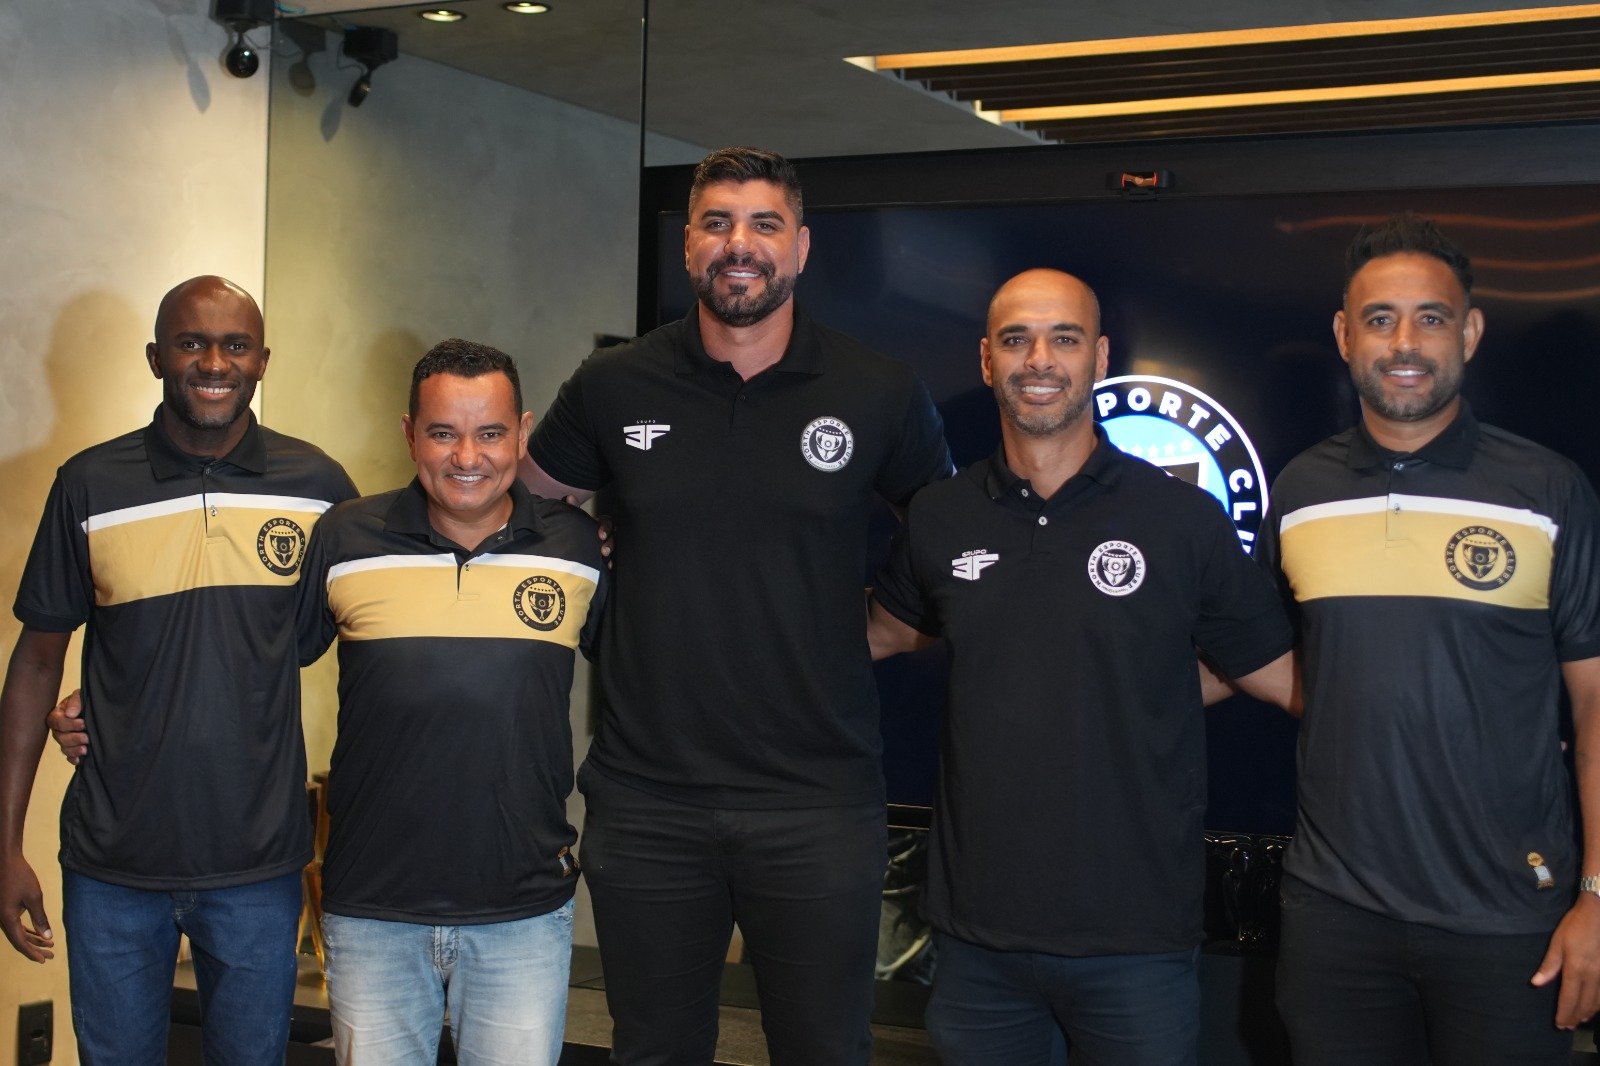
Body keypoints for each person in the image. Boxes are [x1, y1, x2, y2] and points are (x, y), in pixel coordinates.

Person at [519, 146, 952, 1063]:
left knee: (824, 1048)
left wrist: (877, 627)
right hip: (647, 799)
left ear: (800, 247)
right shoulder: (615, 384)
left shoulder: (875, 390)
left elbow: (951, 544)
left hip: (818, 801)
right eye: (717, 223)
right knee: (654, 1048)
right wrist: (593, 570)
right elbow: (526, 506)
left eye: (763, 224)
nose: (739, 244)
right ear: (688, 247)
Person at [866, 268, 1295, 1065]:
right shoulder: (941, 515)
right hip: (978, 944)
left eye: (1064, 338)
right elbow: (879, 635)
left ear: (1099, 358)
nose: (1041, 359)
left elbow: (1280, 673)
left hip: (1135, 944)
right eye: (1018, 339)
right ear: (987, 359)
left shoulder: (1179, 519)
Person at [1259, 213, 1600, 1065]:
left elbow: (1596, 703)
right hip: (1335, 919)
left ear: (1470, 333)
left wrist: (1598, 894)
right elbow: (1292, 666)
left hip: (1509, 921)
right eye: (1380, 319)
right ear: (1345, 335)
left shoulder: (1548, 490)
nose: (1404, 341)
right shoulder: (1300, 490)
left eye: (1431, 318)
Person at [0, 276, 357, 1063]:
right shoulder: (90, 484)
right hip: (112, 866)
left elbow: (347, 632)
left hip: (259, 865)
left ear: (263, 359)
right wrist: (6, 842)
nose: (214, 362)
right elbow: (34, 666)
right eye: (192, 342)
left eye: (235, 345)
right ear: (158, 355)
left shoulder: (320, 490)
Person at [293, 340, 606, 1064]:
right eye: (443, 433)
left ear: (523, 433)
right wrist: (112, 705)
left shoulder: (577, 546)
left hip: (523, 914)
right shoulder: (344, 539)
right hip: (373, 910)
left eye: (491, 433)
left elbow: (655, 679)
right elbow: (254, 670)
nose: (469, 456)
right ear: (409, 434)